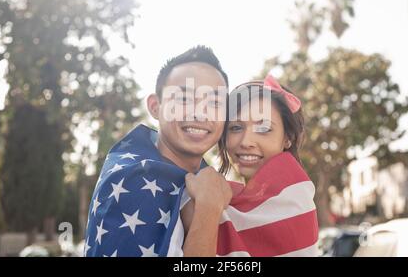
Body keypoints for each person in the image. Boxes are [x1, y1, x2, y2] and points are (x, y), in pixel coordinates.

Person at [84, 46, 232, 257]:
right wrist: (207, 210)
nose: (200, 113)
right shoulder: (132, 182)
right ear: (155, 106)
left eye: (215, 102)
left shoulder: (208, 184)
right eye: (184, 99)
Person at [212, 74, 319, 256]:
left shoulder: (294, 205)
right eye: (236, 128)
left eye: (263, 129)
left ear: (287, 138)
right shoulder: (217, 196)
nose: (246, 141)